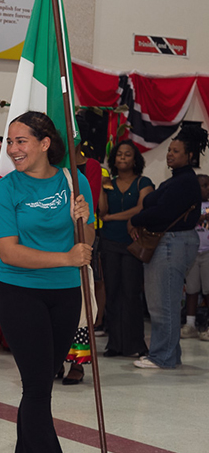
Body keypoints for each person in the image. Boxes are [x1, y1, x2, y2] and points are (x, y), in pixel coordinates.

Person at [0, 111, 94, 453]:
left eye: (21, 141)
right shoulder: (3, 190)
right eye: (10, 142)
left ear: (45, 143)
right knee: (36, 386)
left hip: (65, 293)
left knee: (43, 380)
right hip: (20, 292)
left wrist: (85, 221)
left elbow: (85, 242)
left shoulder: (74, 181)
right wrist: (66, 258)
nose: (12, 149)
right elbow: (8, 251)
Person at [130, 124, 206, 369]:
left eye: (176, 151)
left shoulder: (184, 182)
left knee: (163, 303)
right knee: (165, 301)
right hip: (173, 242)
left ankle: (161, 356)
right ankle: (169, 355)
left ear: (189, 155)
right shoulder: (179, 180)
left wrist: (135, 219)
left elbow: (163, 213)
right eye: (169, 150)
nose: (170, 154)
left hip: (173, 242)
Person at [98, 140, 153, 358]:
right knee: (112, 292)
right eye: (119, 154)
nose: (122, 157)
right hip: (110, 242)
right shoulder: (109, 183)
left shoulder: (143, 182)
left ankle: (135, 344)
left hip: (132, 244)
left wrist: (112, 217)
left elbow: (142, 208)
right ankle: (115, 344)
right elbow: (102, 211)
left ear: (135, 159)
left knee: (131, 293)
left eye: (127, 154)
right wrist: (101, 188)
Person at [60, 141, 107, 384]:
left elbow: (90, 221)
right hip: (48, 256)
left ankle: (77, 364)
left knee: (79, 310)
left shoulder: (83, 175)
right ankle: (55, 360)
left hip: (77, 246)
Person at [181, 174, 209, 341]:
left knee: (208, 289)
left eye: (207, 185)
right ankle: (190, 324)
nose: (205, 189)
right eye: (201, 186)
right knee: (191, 289)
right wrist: (201, 217)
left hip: (207, 253)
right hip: (191, 253)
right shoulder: (190, 207)